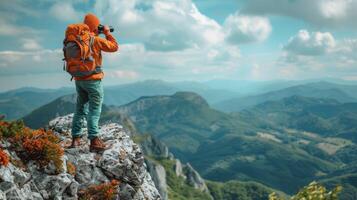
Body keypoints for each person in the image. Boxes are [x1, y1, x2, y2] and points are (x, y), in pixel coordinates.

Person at [70, 13, 118, 152]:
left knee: (80, 109)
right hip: (93, 80)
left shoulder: (77, 39)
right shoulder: (95, 40)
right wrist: (107, 33)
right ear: (96, 26)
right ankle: (94, 140)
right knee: (94, 110)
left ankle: (75, 140)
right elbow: (114, 47)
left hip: (79, 80)